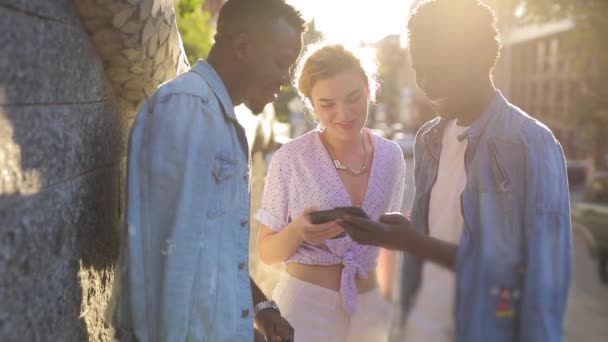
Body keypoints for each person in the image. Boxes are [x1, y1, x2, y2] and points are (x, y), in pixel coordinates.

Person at [338, 1, 572, 341]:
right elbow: (437, 241)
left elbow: (541, 280)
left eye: (440, 67)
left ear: (478, 57)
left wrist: (414, 242)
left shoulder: (531, 144)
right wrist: (403, 233)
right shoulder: (428, 139)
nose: (428, 83)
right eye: (420, 69)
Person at [110, 0, 306, 341]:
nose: (287, 79)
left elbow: (213, 249)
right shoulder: (189, 108)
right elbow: (172, 260)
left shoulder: (218, 116)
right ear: (242, 46)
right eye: (281, 62)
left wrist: (258, 310)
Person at [255, 43, 406, 342]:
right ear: (311, 104)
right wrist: (298, 230)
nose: (343, 113)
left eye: (353, 98)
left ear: (368, 90)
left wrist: (390, 309)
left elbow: (388, 245)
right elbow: (266, 252)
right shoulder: (291, 158)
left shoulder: (392, 156)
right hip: (305, 310)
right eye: (327, 104)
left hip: (371, 312)